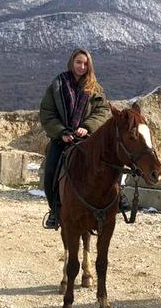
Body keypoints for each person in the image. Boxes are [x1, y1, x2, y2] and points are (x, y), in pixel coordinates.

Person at [39, 49, 111, 229]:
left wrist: (86, 127)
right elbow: (47, 112)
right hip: (61, 138)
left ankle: (117, 201)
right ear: (72, 62)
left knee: (110, 166)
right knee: (50, 174)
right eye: (78, 62)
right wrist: (61, 132)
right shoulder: (58, 84)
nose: (81, 66)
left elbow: (102, 111)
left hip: (87, 140)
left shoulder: (95, 87)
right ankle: (55, 210)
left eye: (85, 64)